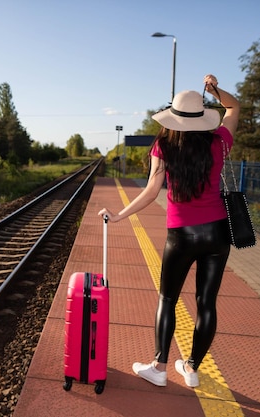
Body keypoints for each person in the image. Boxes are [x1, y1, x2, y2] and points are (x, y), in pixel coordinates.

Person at [98, 74, 240, 388]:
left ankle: (159, 367)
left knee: (168, 299)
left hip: (182, 234)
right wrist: (215, 90)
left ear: (173, 116)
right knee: (206, 304)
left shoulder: (163, 145)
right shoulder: (219, 142)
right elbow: (234, 107)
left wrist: (119, 215)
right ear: (202, 117)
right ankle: (191, 369)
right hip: (217, 234)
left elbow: (151, 191)